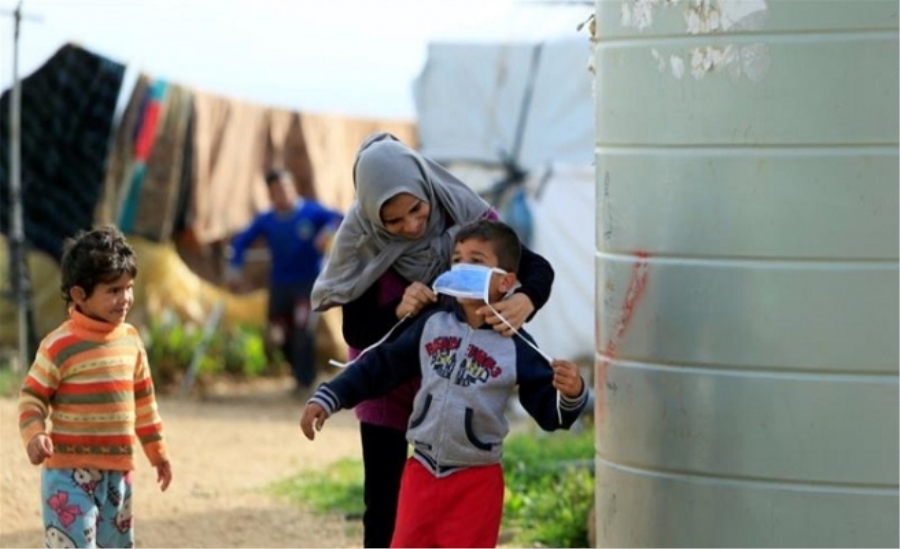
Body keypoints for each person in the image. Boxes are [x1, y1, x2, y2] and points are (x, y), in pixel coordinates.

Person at [311, 132, 555, 548]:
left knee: (451, 501)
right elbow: (356, 332)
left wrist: (526, 301)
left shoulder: (463, 212)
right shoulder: (362, 242)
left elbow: (533, 267)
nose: (411, 226)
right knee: (384, 505)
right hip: (386, 380)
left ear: (426, 189)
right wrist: (397, 310)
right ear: (373, 215)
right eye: (394, 220)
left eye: (416, 209)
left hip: (457, 376)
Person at [302, 219, 588, 548]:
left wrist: (571, 393)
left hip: (476, 483)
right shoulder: (430, 324)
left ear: (506, 281)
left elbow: (551, 414)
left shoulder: (517, 344)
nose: (462, 266)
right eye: (457, 259)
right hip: (420, 473)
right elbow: (378, 367)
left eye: (476, 261)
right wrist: (328, 398)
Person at [17, 225, 172, 549]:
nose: (125, 298)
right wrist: (35, 435)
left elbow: (145, 403)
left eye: (128, 288)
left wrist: (157, 454)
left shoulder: (130, 341)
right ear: (79, 294)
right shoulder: (59, 345)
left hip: (118, 475)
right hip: (68, 475)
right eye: (113, 290)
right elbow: (32, 397)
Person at [228, 168, 343, 395]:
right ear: (270, 194)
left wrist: (328, 232)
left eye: (287, 188)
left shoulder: (311, 212)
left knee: (304, 329)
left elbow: (340, 217)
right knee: (279, 335)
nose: (284, 194)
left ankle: (305, 381)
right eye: (278, 190)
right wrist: (234, 268)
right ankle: (296, 371)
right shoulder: (267, 220)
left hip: (308, 284)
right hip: (280, 285)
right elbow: (241, 241)